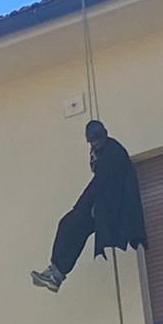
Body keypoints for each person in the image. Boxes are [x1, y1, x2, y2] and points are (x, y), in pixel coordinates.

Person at [32, 119, 147, 292]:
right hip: (99, 196)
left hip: (106, 202)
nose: (96, 143)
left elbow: (116, 185)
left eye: (98, 139)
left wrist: (100, 207)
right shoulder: (100, 150)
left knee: (70, 224)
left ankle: (56, 273)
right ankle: (56, 273)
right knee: (72, 228)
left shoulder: (113, 152)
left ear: (104, 135)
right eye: (93, 140)